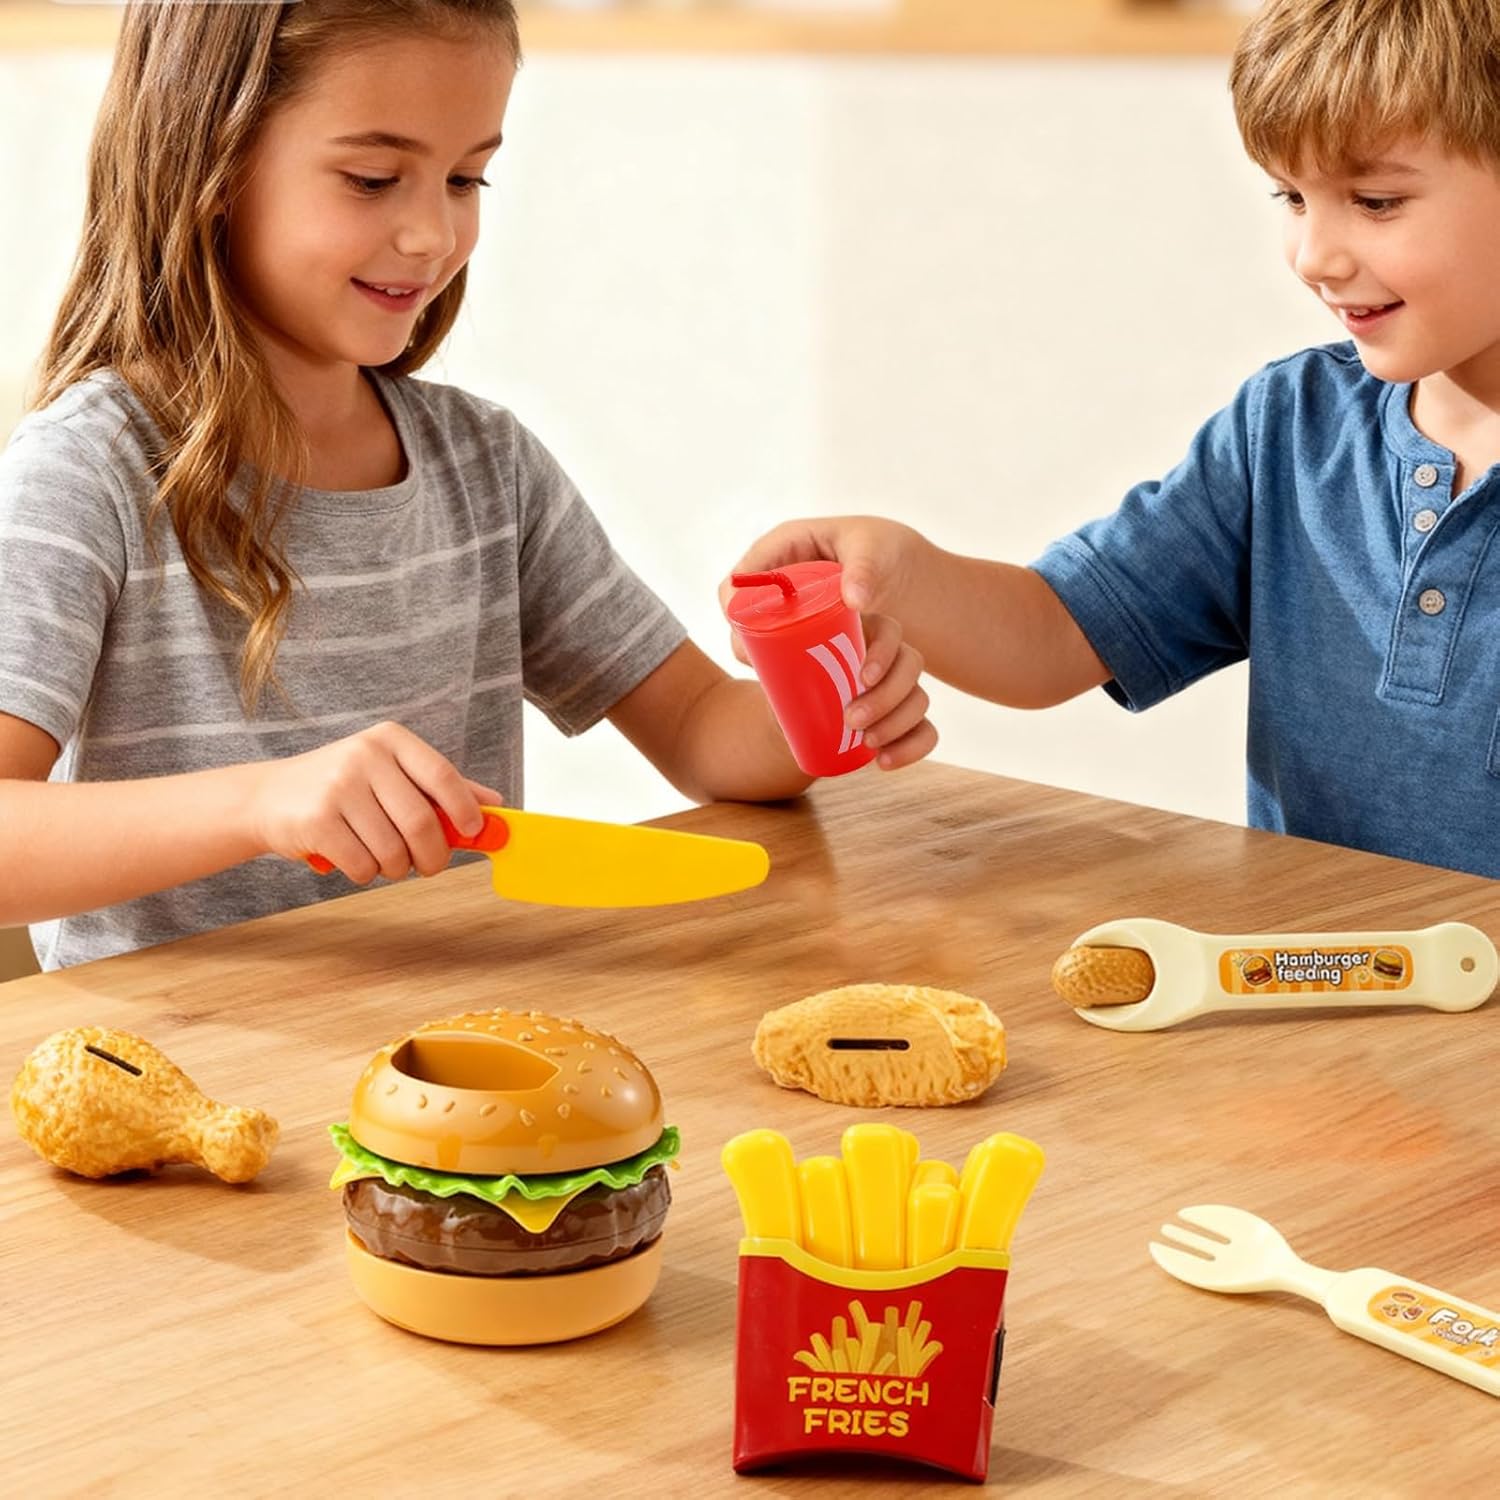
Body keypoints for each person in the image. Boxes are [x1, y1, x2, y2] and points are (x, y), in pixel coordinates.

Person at [0, 0, 936, 970]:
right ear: (212, 162)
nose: (432, 235)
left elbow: (702, 731)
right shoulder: (89, 472)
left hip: (457, 1042)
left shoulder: (486, 468)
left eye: (465, 178)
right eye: (372, 180)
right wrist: (259, 803)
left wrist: (827, 698)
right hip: (185, 1053)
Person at [727, 0, 1500, 880]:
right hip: (1310, 960)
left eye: (1375, 202)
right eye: (1292, 197)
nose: (1313, 255)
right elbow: (1055, 636)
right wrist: (903, 573)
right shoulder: (1290, 427)